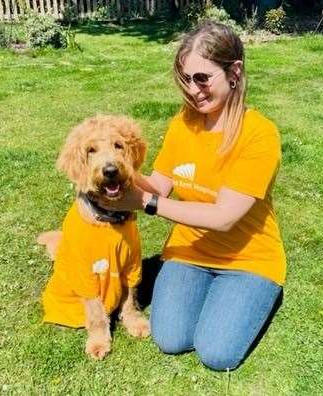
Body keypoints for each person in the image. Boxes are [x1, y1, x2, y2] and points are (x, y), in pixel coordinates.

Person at [99, 21, 286, 371]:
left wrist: (145, 204)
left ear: (234, 72)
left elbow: (223, 217)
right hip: (189, 249)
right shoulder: (183, 124)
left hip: (249, 260)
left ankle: (256, 292)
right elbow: (158, 184)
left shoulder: (259, 134)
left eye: (202, 78)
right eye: (186, 79)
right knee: (170, 339)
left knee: (216, 354)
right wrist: (114, 168)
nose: (193, 90)